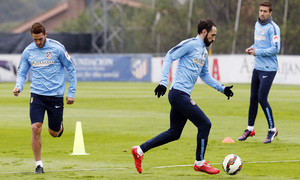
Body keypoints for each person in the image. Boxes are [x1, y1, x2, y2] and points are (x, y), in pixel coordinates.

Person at [131, 19, 234, 175]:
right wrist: (163, 83)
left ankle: (139, 150)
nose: (214, 39)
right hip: (178, 94)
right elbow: (169, 56)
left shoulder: (204, 52)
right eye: (212, 35)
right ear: (204, 32)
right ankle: (199, 162)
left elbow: (205, 75)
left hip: (182, 95)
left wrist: (222, 89)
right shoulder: (191, 44)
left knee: (174, 133)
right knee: (205, 124)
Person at [13, 22, 77, 174]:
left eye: (40, 39)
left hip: (55, 96)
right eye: (35, 39)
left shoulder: (57, 48)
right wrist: (18, 86)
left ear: (45, 34)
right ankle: (38, 165)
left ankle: (58, 126)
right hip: (37, 95)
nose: (38, 42)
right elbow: (22, 71)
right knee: (35, 128)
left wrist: (71, 92)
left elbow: (71, 68)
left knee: (54, 133)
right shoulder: (28, 51)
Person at [239, 1, 280, 143]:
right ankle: (250, 129)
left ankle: (272, 129)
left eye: (265, 11)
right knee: (253, 99)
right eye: (260, 10)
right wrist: (251, 48)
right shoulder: (257, 25)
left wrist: (258, 52)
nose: (262, 13)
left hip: (269, 69)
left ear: (270, 13)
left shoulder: (273, 28)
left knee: (262, 98)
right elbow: (259, 44)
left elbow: (275, 48)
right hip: (257, 67)